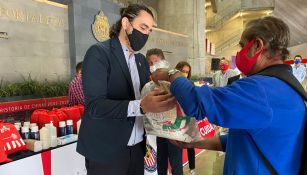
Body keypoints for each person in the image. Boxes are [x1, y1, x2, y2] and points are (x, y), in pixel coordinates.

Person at [145, 16, 306, 174]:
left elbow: (196, 102)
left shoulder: (261, 89)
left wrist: (172, 73)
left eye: (242, 46)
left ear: (257, 45)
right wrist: (197, 142)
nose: (239, 52)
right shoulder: (286, 87)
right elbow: (243, 140)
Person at [77, 4, 176, 175]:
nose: (145, 34)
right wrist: (141, 106)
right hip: (106, 151)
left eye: (149, 31)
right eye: (142, 27)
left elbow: (147, 96)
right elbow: (95, 105)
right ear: (125, 23)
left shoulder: (141, 61)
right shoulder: (99, 53)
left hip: (137, 149)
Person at [175, 61, 195, 175]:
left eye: (187, 72)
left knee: (190, 145)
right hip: (176, 119)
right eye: (183, 71)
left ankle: (192, 169)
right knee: (177, 147)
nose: (185, 74)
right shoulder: (171, 84)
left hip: (188, 118)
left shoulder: (191, 84)